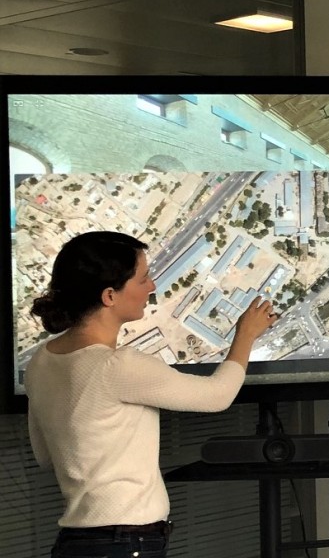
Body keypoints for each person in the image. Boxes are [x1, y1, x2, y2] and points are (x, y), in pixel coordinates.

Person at [24, 231, 278, 558]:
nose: (153, 287)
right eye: (143, 279)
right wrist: (246, 335)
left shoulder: (40, 362)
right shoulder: (118, 366)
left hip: (74, 544)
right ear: (109, 296)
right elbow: (217, 396)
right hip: (126, 542)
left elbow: (46, 456)